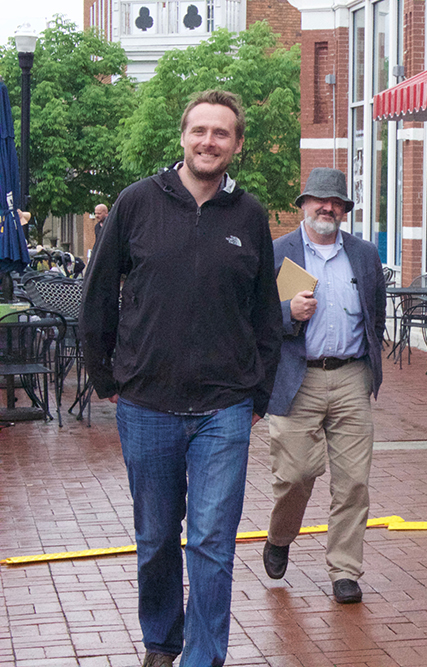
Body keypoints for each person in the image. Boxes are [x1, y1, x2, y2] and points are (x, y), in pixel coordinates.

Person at [80, 89, 283, 667]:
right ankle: (161, 642)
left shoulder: (249, 214)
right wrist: (105, 378)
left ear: (236, 145)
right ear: (183, 137)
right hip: (146, 405)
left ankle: (204, 657)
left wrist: (258, 393)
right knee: (156, 541)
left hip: (225, 409)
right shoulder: (137, 203)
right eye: (200, 131)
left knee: (214, 543)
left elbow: (266, 313)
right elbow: (97, 298)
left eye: (221, 134)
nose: (209, 142)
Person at [261, 168, 387, 605]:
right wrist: (285, 312)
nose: (326, 208)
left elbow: (376, 313)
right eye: (318, 200)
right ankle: (280, 536)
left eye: (335, 202)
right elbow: (251, 319)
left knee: (353, 482)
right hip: (298, 376)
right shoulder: (277, 253)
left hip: (352, 376)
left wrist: (373, 367)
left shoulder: (365, 255)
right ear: (303, 204)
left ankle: (345, 571)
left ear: (345, 211)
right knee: (295, 474)